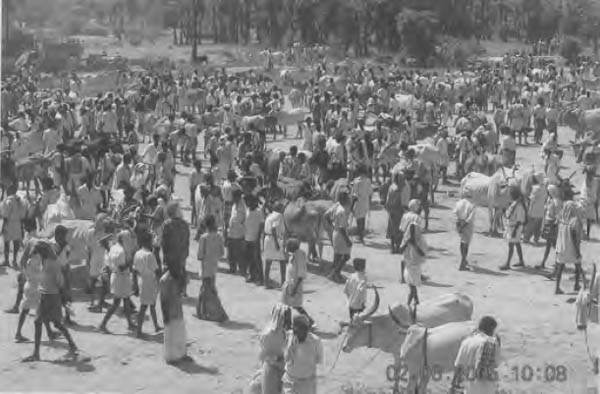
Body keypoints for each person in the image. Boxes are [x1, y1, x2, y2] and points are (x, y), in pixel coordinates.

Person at [22, 239, 79, 362]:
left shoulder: (53, 263)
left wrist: (63, 298)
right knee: (40, 322)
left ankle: (72, 345)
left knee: (56, 323)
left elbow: (60, 282)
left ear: (42, 252)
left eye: (37, 252)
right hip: (45, 295)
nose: (35, 254)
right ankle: (37, 353)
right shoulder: (46, 261)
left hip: (52, 296)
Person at [450, 316, 501, 394]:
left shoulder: (466, 342)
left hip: (469, 389)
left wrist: (453, 387)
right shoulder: (492, 344)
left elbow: (458, 367)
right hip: (487, 389)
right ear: (491, 329)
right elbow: (495, 364)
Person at [99, 232, 135, 333]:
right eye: (127, 238)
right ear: (123, 239)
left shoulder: (114, 247)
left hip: (116, 276)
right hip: (121, 277)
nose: (129, 240)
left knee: (126, 300)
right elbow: (122, 267)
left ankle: (130, 323)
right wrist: (131, 262)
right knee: (116, 303)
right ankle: (102, 324)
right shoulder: (122, 251)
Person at [254, 303, 292, 394]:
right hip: (277, 371)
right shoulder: (290, 335)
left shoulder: (266, 334)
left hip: (273, 370)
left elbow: (261, 356)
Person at [196, 214, 228, 322]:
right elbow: (222, 253)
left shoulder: (204, 238)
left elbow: (200, 255)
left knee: (207, 290)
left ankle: (214, 313)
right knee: (208, 289)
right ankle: (201, 311)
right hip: (214, 265)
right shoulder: (219, 236)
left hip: (205, 266)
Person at [160, 256, 191, 364]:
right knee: (170, 335)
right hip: (170, 311)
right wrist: (165, 316)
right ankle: (171, 358)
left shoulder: (177, 278)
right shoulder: (165, 280)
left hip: (178, 309)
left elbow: (183, 289)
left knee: (180, 333)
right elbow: (163, 299)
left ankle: (182, 354)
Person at [282, 314, 323, 394]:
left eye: (301, 330)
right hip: (289, 380)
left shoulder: (315, 341)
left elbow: (318, 360)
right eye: (295, 330)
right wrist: (291, 349)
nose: (297, 333)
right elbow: (286, 359)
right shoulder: (289, 336)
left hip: (307, 382)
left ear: (306, 330)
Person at [133, 231, 162, 337]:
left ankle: (156, 326)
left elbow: (135, 270)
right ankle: (139, 331)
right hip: (149, 281)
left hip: (141, 280)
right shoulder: (150, 255)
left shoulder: (138, 253)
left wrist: (135, 284)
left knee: (150, 304)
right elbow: (156, 270)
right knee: (145, 306)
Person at [555, 200, 587, 294]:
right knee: (577, 266)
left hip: (561, 247)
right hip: (571, 248)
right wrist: (577, 251)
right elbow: (575, 239)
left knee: (560, 268)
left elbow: (558, 234)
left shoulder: (561, 219)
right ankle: (576, 285)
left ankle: (557, 288)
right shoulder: (575, 221)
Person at [399, 199, 427, 307]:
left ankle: (403, 278)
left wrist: (406, 238)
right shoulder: (417, 218)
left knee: (405, 260)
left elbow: (401, 229)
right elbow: (420, 231)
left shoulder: (405, 216)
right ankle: (414, 301)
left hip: (406, 241)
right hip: (414, 245)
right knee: (414, 266)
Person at [282, 238, 313, 326]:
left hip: (295, 284)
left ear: (292, 247)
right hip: (290, 283)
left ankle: (309, 321)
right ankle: (287, 323)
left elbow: (301, 274)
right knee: (287, 304)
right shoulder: (293, 254)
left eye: (287, 246)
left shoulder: (299, 256)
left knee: (295, 305)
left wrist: (295, 288)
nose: (286, 248)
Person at [162, 201, 190, 294]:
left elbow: (164, 243)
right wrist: (185, 253)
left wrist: (165, 255)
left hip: (171, 255)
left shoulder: (167, 224)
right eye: (179, 209)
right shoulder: (184, 224)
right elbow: (186, 241)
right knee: (181, 271)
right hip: (180, 255)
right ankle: (182, 290)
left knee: (169, 274)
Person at [326, 191, 353, 283]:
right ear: (345, 199)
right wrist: (347, 240)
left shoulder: (336, 205)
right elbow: (342, 228)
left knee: (337, 256)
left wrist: (332, 225)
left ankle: (335, 274)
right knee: (346, 256)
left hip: (335, 232)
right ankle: (334, 274)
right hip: (341, 235)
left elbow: (326, 215)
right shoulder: (342, 210)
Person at [499, 187, 527, 270]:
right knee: (517, 243)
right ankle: (521, 261)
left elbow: (519, 219)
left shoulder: (518, 205)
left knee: (511, 244)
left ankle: (507, 263)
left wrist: (515, 231)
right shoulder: (515, 203)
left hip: (515, 227)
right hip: (513, 226)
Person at [0, 185, 27, 267]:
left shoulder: (8, 200)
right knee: (16, 243)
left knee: (7, 243)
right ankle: (15, 260)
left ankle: (6, 260)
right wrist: (22, 227)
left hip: (9, 223)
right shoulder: (21, 200)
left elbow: (5, 215)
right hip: (18, 223)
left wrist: (3, 227)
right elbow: (23, 214)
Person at [537, 184, 562, 270]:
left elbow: (558, 214)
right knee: (550, 245)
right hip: (548, 223)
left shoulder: (556, 201)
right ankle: (545, 263)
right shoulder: (550, 200)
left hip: (552, 224)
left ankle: (556, 263)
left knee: (553, 245)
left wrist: (555, 223)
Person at [263, 201, 287, 289]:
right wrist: (277, 243)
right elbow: (274, 228)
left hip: (267, 239)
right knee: (282, 261)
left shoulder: (270, 215)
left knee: (268, 261)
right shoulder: (279, 215)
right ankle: (283, 282)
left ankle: (266, 283)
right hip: (275, 239)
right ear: (279, 208)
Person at [386, 173, 409, 254]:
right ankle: (394, 247)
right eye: (401, 178)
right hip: (395, 210)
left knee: (399, 229)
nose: (403, 180)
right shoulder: (394, 187)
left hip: (400, 210)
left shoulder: (404, 187)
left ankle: (397, 247)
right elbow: (388, 199)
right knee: (394, 229)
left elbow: (406, 199)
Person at [245, 196, 265, 284]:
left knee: (257, 259)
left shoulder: (259, 212)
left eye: (251, 202)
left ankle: (260, 278)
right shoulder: (247, 210)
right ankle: (252, 275)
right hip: (247, 237)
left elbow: (261, 226)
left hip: (255, 239)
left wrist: (258, 237)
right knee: (249, 258)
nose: (249, 204)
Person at [454, 190, 476, 271]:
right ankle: (462, 263)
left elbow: (455, 213)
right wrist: (464, 225)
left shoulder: (459, 202)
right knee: (466, 244)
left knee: (462, 241)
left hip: (459, 223)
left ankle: (463, 260)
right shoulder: (472, 204)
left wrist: (459, 225)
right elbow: (470, 219)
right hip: (467, 226)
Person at [523, 174, 547, 244]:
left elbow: (532, 199)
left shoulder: (535, 188)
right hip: (541, 209)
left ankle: (526, 238)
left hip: (533, 209)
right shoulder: (544, 188)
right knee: (538, 226)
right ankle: (536, 239)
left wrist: (529, 208)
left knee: (530, 225)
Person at [351, 164, 372, 243]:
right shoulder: (368, 180)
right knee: (363, 218)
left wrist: (352, 204)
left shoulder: (356, 181)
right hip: (365, 201)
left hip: (358, 201)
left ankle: (360, 235)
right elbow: (370, 192)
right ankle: (361, 235)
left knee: (358, 218)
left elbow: (354, 193)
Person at [227, 189, 246, 275]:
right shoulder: (234, 205)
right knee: (230, 252)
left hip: (240, 233)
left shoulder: (244, 205)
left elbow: (246, 218)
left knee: (240, 253)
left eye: (234, 197)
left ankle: (242, 269)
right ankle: (232, 268)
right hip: (231, 232)